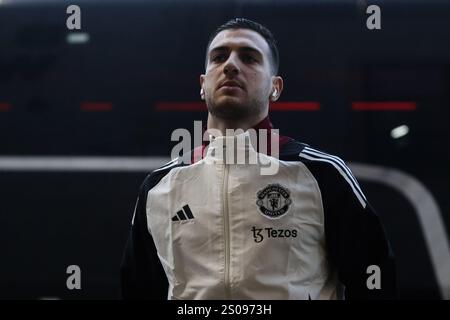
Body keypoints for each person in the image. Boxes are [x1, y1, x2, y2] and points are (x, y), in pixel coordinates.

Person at [120, 18, 396, 300]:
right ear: (202, 85)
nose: (230, 65)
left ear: (275, 87)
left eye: (249, 58)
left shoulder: (322, 174)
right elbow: (137, 290)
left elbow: (375, 281)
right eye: (219, 57)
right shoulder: (159, 187)